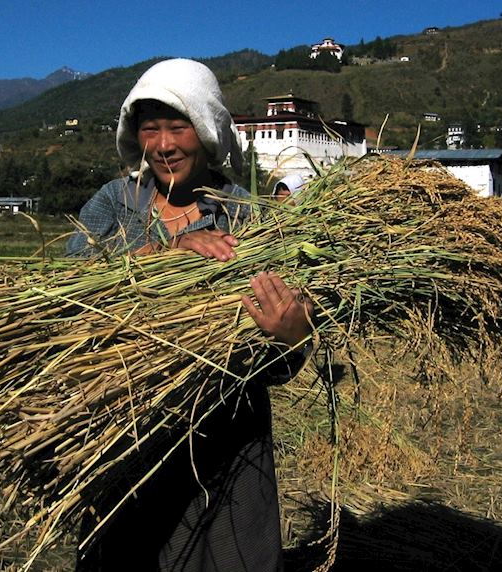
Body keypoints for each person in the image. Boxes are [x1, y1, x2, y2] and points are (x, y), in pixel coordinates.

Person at [67, 58, 314, 571]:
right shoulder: (116, 202)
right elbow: (67, 285)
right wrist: (164, 253)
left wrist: (292, 338)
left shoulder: (246, 215)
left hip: (224, 437)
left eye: (178, 127)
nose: (163, 145)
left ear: (206, 129)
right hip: (126, 433)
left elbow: (277, 362)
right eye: (150, 128)